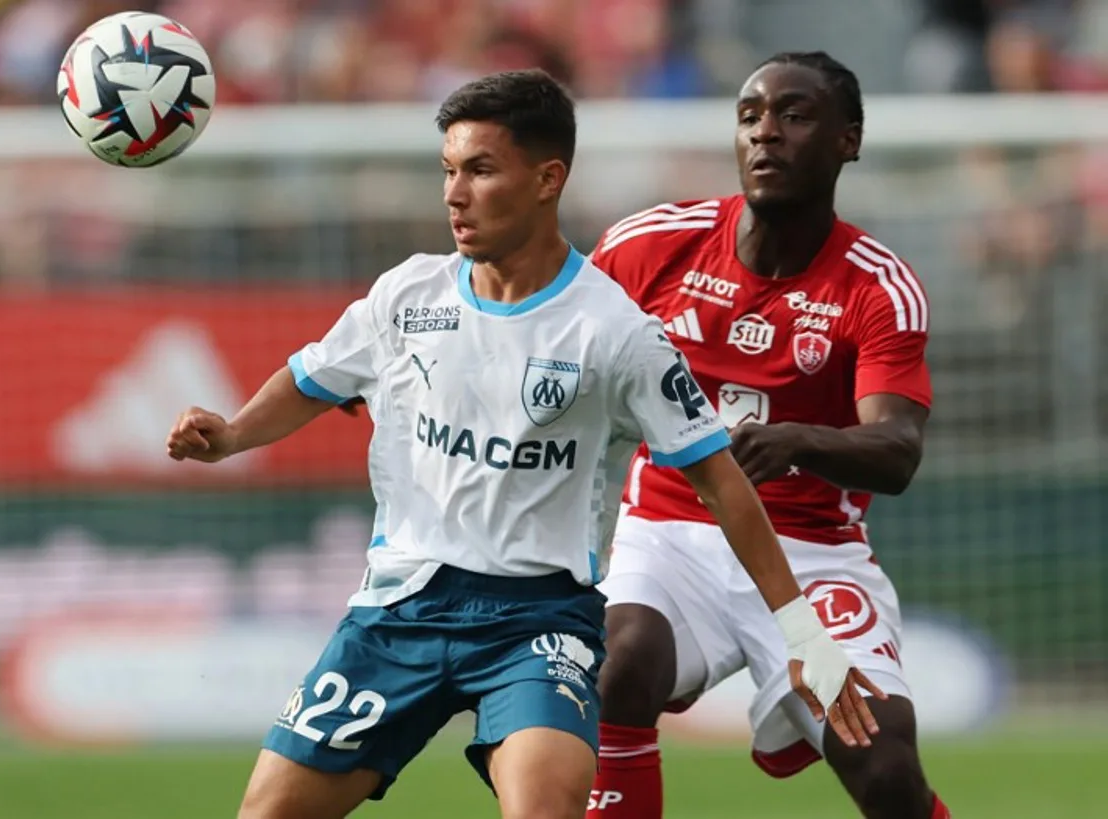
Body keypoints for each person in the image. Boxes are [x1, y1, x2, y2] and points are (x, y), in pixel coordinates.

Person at [166, 68, 875, 819]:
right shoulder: (408, 295)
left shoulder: (615, 331)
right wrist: (233, 433)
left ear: (547, 179)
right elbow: (311, 377)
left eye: (479, 169)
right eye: (447, 171)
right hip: (397, 613)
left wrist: (804, 634)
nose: (454, 193)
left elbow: (724, 483)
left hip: (536, 623)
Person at [586, 52, 951, 819]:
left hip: (812, 551)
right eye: (750, 115)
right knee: (618, 666)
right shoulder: (648, 245)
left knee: (886, 771)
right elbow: (556, 357)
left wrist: (796, 440)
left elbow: (897, 450)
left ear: (848, 140)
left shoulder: (878, 286)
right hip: (668, 534)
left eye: (794, 115)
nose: (766, 134)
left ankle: (798, 703)